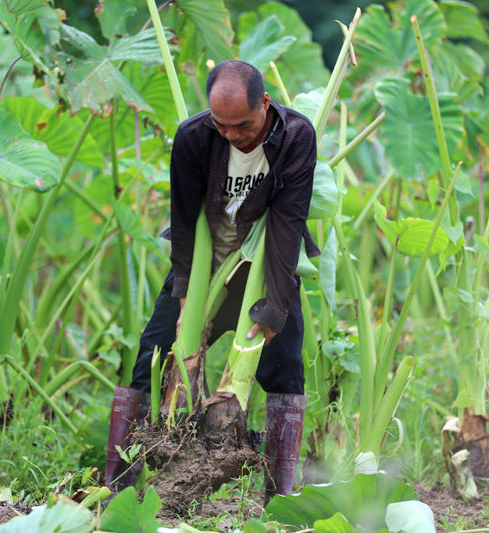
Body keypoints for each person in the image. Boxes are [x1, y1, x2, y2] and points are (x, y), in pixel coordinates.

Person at [104, 60, 319, 504]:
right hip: (205, 269)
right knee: (153, 355)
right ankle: (116, 488)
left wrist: (274, 307)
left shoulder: (296, 137)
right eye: (221, 125)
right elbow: (183, 221)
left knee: (286, 371)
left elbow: (288, 224)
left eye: (241, 125)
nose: (231, 135)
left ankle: (279, 500)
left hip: (261, 266)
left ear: (264, 103)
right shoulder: (195, 136)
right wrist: (185, 292)